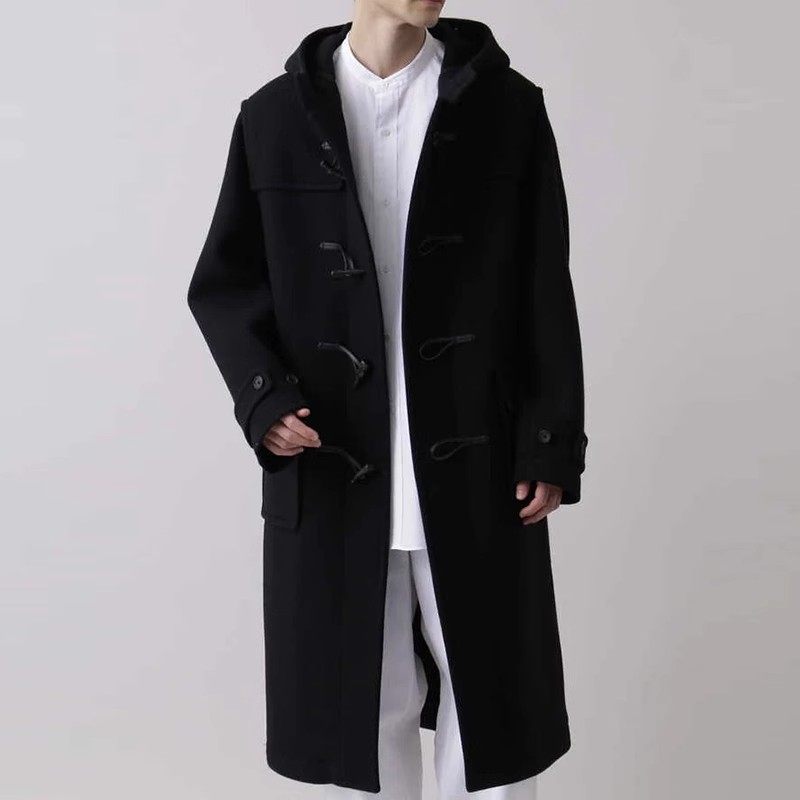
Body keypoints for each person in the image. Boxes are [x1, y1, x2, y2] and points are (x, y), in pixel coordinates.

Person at [187, 2, 587, 798]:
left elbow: (544, 284)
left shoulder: (507, 109)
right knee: (361, 711)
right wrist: (265, 401)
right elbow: (225, 286)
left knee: (493, 703)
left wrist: (549, 438)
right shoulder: (273, 117)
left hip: (479, 460)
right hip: (336, 463)